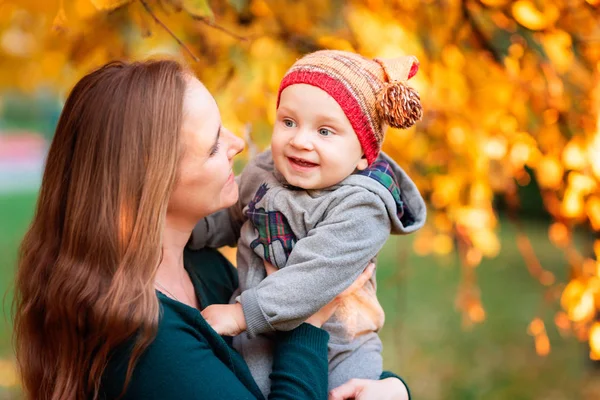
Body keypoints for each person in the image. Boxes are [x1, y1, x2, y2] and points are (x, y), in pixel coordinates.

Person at [12, 59, 411, 399]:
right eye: (213, 144)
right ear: (152, 182)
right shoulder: (146, 341)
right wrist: (306, 322)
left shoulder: (200, 267)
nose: (238, 144)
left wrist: (392, 388)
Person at [190, 50, 427, 394]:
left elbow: (315, 276)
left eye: (325, 131)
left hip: (338, 349)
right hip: (258, 336)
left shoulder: (362, 207)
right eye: (288, 122)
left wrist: (241, 316)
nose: (300, 140)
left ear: (363, 154)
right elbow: (225, 217)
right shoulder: (263, 173)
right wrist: (180, 229)